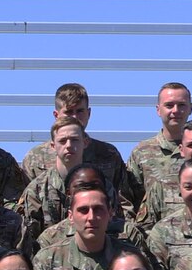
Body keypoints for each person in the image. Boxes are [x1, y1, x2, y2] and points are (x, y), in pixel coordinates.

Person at [20, 83, 140, 215]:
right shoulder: (36, 158)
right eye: (69, 112)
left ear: (89, 113)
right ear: (56, 115)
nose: (75, 117)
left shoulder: (108, 154)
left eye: (80, 111)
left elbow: (123, 202)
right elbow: (26, 204)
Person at [33, 181, 138, 270]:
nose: (91, 217)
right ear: (70, 217)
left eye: (98, 209)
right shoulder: (47, 260)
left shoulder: (132, 259)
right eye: (83, 210)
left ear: (110, 214)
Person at [125, 81, 192, 204]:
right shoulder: (142, 152)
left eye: (181, 105)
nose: (176, 110)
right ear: (158, 110)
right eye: (169, 105)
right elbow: (126, 200)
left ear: (191, 109)